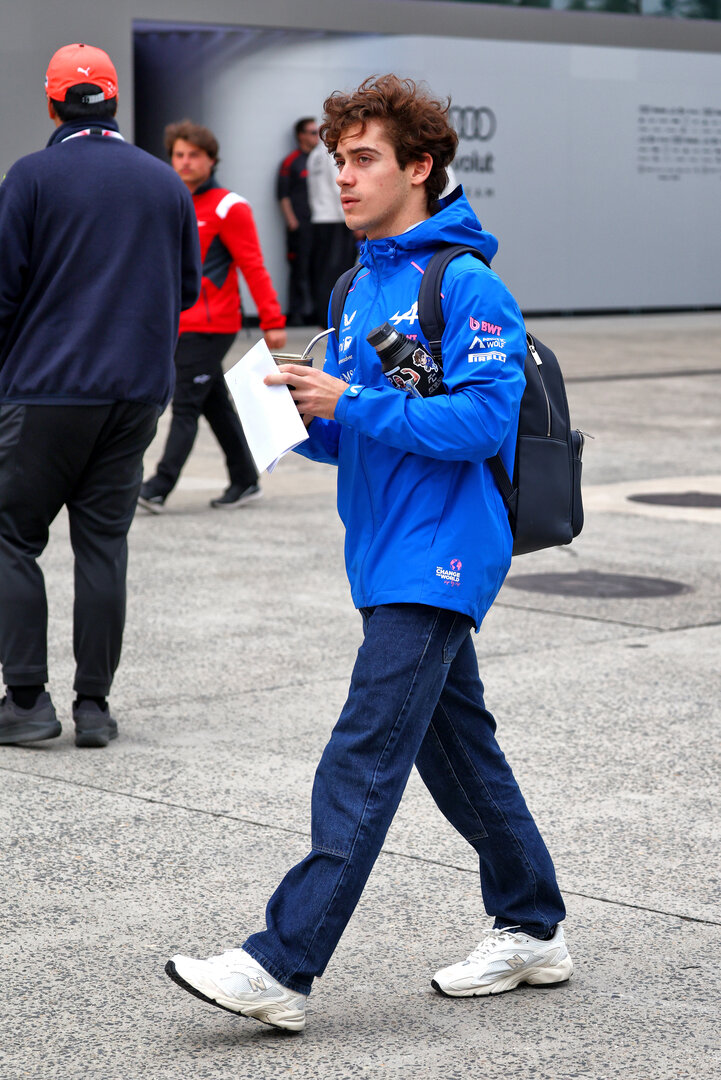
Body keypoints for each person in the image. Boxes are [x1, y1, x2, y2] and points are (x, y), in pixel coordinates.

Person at [165, 75, 572, 1032]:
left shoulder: (464, 283)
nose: (339, 179)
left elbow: (479, 420)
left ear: (420, 167)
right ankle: (532, 923)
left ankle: (282, 962)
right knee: (456, 750)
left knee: (363, 752)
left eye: (361, 161)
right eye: (334, 161)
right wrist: (299, 410)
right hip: (382, 548)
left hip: (443, 552)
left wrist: (351, 402)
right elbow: (358, 432)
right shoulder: (355, 285)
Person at [0, 43, 201, 749]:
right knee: (102, 547)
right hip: (135, 395)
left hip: (47, 389)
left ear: (54, 104)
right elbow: (186, 291)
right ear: (113, 101)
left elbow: (3, 294)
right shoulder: (164, 184)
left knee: (10, 534)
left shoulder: (30, 177)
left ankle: (25, 699)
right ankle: (94, 707)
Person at [138, 121, 286, 513]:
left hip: (212, 325)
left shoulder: (228, 206)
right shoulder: (167, 201)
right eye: (178, 155)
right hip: (178, 325)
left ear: (211, 160)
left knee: (185, 403)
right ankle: (244, 479)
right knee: (213, 403)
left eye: (193, 155)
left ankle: (157, 486)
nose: (184, 163)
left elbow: (253, 265)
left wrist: (272, 320)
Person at [306, 136, 359, 329]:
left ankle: (323, 317)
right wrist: (352, 218)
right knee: (337, 272)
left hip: (319, 218)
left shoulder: (315, 154)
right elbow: (338, 187)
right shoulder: (331, 155)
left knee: (323, 272)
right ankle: (330, 319)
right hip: (336, 219)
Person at [276, 117, 319, 326]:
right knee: (299, 269)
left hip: (319, 224)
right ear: (301, 135)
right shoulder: (291, 161)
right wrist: (291, 220)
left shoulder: (322, 160)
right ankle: (296, 313)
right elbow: (282, 194)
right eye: (312, 132)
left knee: (317, 268)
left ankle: (316, 312)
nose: (316, 136)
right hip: (300, 226)